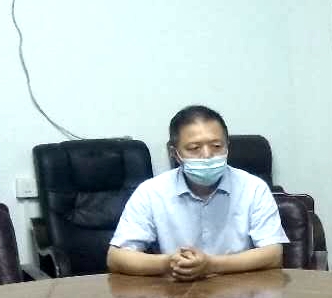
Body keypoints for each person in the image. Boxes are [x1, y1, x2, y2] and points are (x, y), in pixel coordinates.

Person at [107, 105, 288, 281]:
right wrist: (170, 262)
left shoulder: (253, 188)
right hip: (176, 293)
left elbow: (273, 255)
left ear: (227, 146)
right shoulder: (151, 192)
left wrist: (211, 265)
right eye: (194, 148)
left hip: (239, 289)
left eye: (216, 146)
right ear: (174, 153)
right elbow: (117, 258)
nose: (207, 155)